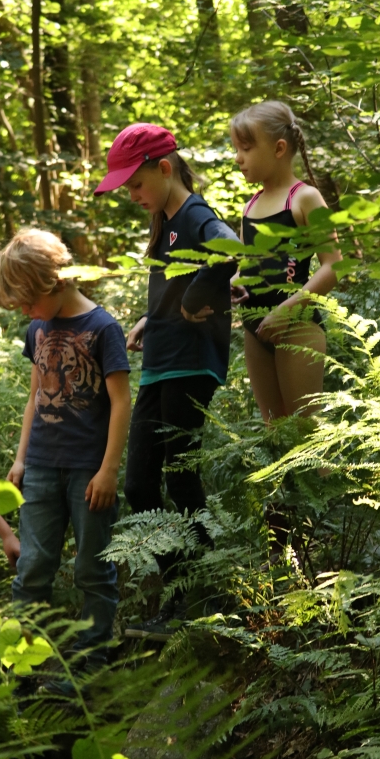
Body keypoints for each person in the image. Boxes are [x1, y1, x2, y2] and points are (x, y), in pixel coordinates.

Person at [93, 123, 240, 639]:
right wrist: (153, 318)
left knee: (180, 478)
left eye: (134, 185)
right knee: (138, 483)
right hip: (160, 360)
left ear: (163, 168)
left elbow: (229, 248)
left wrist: (196, 300)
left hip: (190, 365)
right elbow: (176, 287)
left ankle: (204, 594)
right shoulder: (166, 222)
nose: (131, 196)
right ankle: (183, 591)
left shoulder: (196, 214)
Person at [0, 228, 131, 668]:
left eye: (27, 302)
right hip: (41, 467)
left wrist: (109, 469)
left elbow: (122, 401)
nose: (25, 313)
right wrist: (20, 458)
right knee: (33, 565)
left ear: (54, 283)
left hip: (88, 471)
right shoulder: (38, 329)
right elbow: (35, 395)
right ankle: (21, 663)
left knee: (92, 568)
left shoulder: (102, 327)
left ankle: (90, 661)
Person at [230, 100, 342, 424]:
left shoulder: (305, 197)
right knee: (275, 432)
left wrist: (288, 309)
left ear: (279, 148)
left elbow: (333, 265)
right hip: (255, 330)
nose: (238, 158)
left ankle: (328, 478)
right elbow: (249, 266)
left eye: (246, 148)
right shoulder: (250, 206)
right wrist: (235, 281)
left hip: (297, 325)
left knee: (305, 432)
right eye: (237, 148)